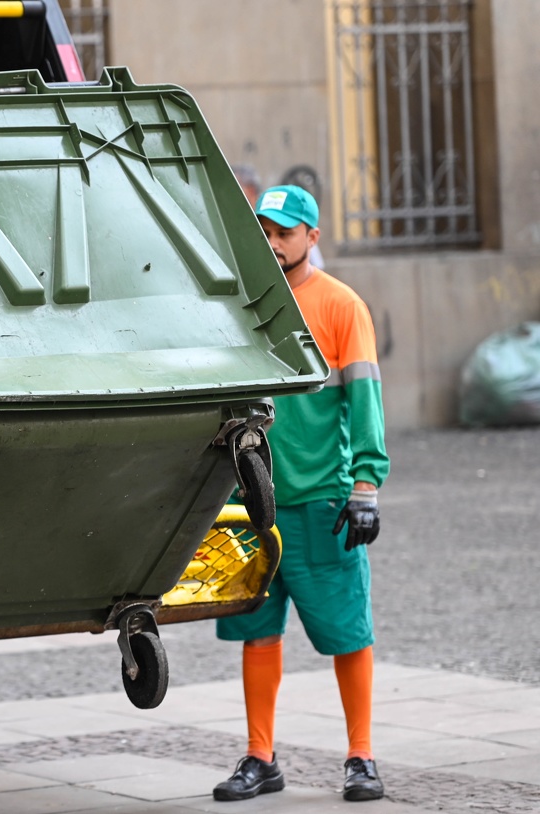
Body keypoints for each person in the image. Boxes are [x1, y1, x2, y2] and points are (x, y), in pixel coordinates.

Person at [213, 185, 390, 803]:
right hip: (249, 504)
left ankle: (361, 757)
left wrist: (365, 487)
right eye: (264, 231)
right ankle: (260, 757)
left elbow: (365, 400)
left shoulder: (342, 306)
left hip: (322, 502)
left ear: (312, 237)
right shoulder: (241, 304)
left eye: (284, 233)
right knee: (257, 630)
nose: (272, 243)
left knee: (348, 633)